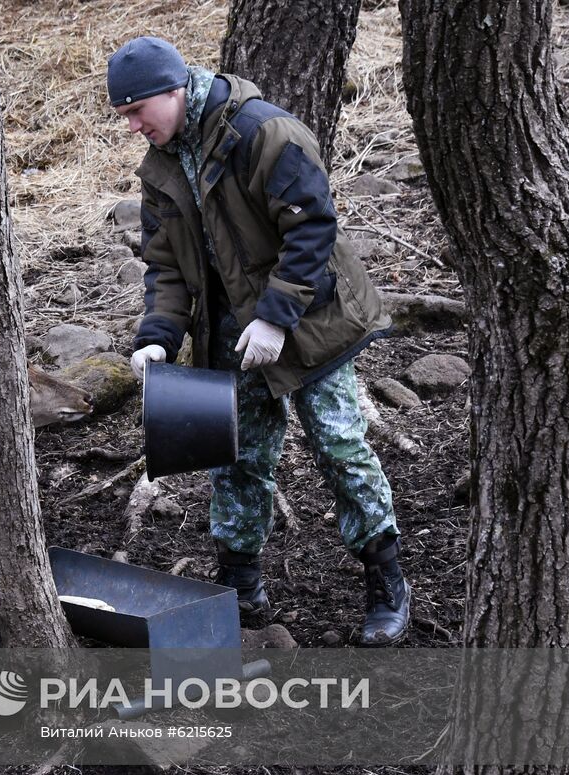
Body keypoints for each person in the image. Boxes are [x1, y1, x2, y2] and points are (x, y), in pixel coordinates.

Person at [108, 36, 409, 645]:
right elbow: (165, 266)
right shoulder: (161, 166)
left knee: (340, 449)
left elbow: (312, 230)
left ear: (173, 89)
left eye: (138, 110)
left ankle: (386, 580)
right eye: (126, 116)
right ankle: (242, 592)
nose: (134, 125)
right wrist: (158, 336)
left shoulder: (267, 132)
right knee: (235, 460)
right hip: (227, 333)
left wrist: (275, 317)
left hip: (311, 323)